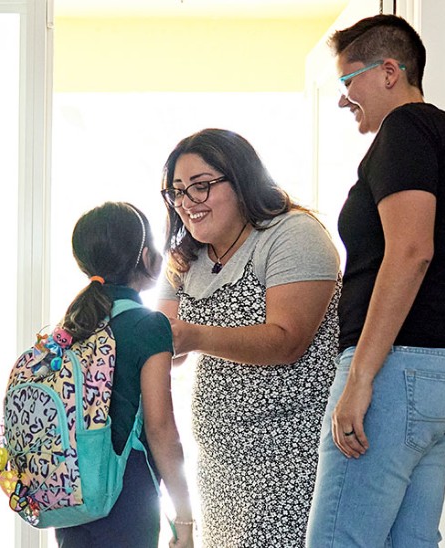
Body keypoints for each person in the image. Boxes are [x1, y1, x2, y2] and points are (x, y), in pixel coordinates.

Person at [305, 14, 445, 548]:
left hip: (397, 368)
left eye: (347, 81)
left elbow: (410, 252)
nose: (343, 100)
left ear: (389, 71)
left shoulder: (404, 131)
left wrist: (362, 378)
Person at [157, 129, 342, 547]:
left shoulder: (292, 234)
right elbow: (167, 344)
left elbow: (286, 341)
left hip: (291, 456)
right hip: (220, 466)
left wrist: (195, 335)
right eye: (177, 192)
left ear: (241, 179)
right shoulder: (186, 258)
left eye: (201, 186)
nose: (187, 202)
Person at [53, 202, 195, 548]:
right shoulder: (148, 325)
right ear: (146, 257)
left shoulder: (72, 325)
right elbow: (161, 430)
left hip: (73, 492)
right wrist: (185, 517)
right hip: (127, 495)